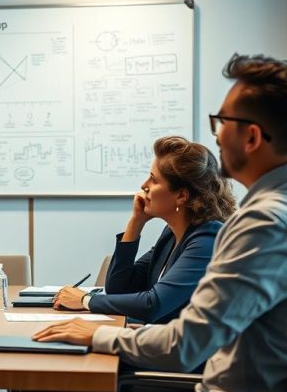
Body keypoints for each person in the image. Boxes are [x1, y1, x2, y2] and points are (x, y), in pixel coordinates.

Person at [28, 54, 287, 392]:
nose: (216, 134)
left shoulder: (266, 222)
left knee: (53, 385)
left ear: (251, 137)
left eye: (222, 122)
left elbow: (185, 346)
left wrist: (99, 333)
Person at [53, 136, 235, 323]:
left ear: (181, 195)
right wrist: (136, 222)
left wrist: (85, 300)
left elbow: (152, 305)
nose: (143, 185)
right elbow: (120, 287)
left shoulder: (207, 240)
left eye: (154, 180)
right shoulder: (171, 234)